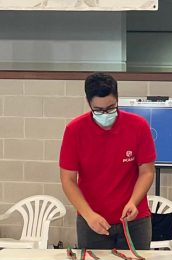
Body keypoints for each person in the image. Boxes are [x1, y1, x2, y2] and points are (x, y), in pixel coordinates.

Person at [59, 72, 156, 250]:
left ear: (117, 100)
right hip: (92, 222)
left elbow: (147, 172)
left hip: (134, 221)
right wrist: (89, 215)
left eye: (111, 108)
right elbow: (68, 180)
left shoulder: (138, 126)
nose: (105, 114)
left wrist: (133, 201)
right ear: (89, 103)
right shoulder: (74, 130)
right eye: (99, 110)